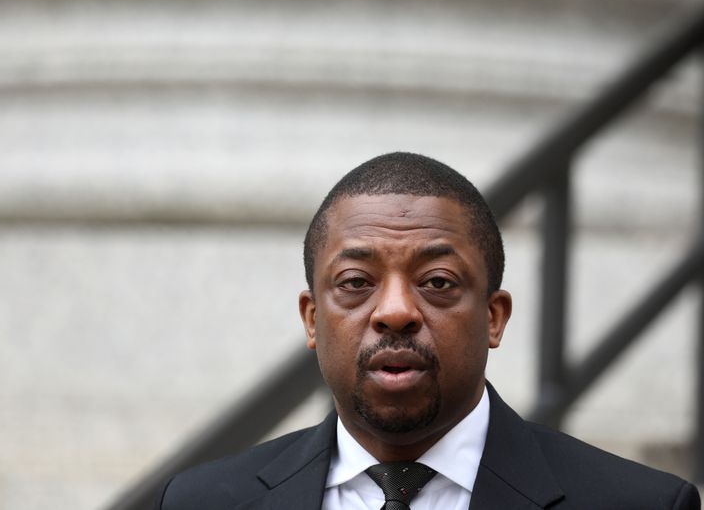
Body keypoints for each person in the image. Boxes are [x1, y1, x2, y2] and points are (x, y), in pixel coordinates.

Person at [157, 152, 700, 509]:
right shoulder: (199, 502)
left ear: (493, 317)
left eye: (437, 282)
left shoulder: (639, 504)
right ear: (312, 320)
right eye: (355, 282)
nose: (394, 311)